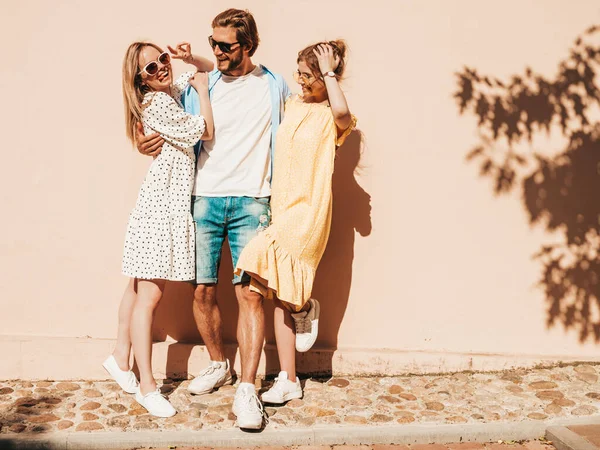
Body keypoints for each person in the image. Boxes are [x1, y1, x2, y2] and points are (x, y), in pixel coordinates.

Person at [135, 9, 290, 429]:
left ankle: (247, 388)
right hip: (203, 198)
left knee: (251, 295)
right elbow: (156, 115)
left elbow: (298, 127)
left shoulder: (273, 86)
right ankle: (219, 363)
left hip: (253, 200)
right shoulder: (202, 84)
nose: (217, 51)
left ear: (249, 46)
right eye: (213, 43)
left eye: (226, 46)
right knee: (202, 291)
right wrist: (139, 139)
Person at [235, 41, 357, 404]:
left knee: (256, 273)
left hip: (308, 212)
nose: (300, 81)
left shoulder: (332, 117)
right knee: (277, 286)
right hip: (281, 208)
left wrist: (331, 72)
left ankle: (303, 308)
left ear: (326, 77)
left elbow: (343, 113)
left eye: (308, 75)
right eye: (299, 73)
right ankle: (289, 377)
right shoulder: (292, 105)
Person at [103, 41, 214, 418]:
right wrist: (202, 91)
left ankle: (120, 356)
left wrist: (187, 60)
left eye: (162, 60)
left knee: (136, 288)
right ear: (140, 80)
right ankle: (147, 386)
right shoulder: (161, 103)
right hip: (163, 207)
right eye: (150, 69)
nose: (161, 69)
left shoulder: (166, 93)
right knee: (149, 295)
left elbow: (204, 67)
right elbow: (205, 130)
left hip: (159, 202)